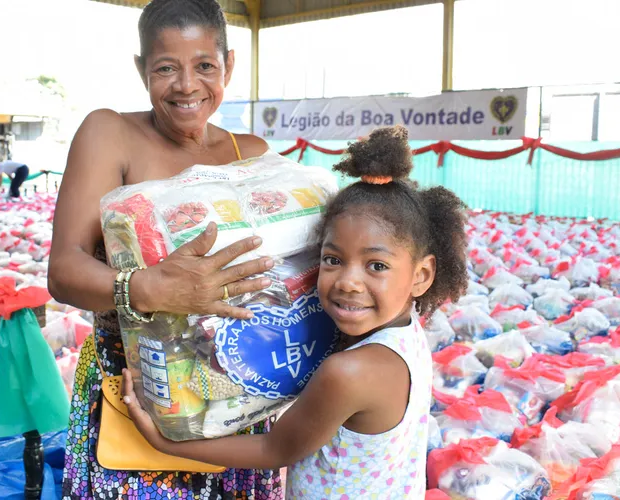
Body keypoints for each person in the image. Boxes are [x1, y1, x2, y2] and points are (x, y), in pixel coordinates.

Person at [121, 126, 468, 499]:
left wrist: (165, 444)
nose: (348, 282)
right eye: (333, 259)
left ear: (421, 275)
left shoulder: (349, 373)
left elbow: (276, 450)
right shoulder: (406, 336)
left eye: (376, 266)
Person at [47, 0, 280, 497]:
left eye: (205, 67)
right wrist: (149, 287)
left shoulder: (253, 154)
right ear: (141, 69)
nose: (187, 86)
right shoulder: (109, 133)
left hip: (236, 399)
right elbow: (64, 271)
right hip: (137, 393)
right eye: (166, 69)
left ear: (229, 65)